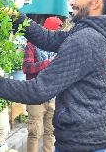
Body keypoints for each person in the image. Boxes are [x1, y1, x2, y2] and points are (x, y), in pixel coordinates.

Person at [0, 0, 106, 152]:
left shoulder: (86, 40)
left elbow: (38, 90)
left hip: (80, 144)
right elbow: (49, 38)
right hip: (85, 138)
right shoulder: (88, 32)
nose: (73, 3)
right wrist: (17, 18)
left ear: (96, 2)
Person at [23, 17, 62, 152]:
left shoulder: (59, 47)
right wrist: (47, 63)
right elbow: (26, 68)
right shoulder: (31, 45)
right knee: (34, 133)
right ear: (48, 30)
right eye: (56, 31)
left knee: (50, 132)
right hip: (35, 95)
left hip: (53, 95)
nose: (57, 34)